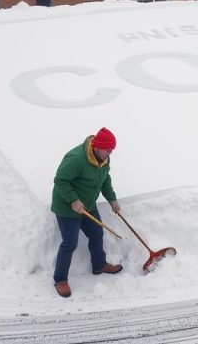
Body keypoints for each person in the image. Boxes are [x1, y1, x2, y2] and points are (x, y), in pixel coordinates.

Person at [51, 127, 123, 298]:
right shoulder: (76, 159)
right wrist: (73, 200)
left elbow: (105, 179)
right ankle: (60, 279)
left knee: (97, 233)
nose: (110, 154)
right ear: (97, 147)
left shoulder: (104, 159)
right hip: (67, 207)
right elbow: (60, 180)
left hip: (88, 205)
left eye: (112, 150)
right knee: (70, 243)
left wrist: (112, 199)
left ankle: (99, 265)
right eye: (108, 150)